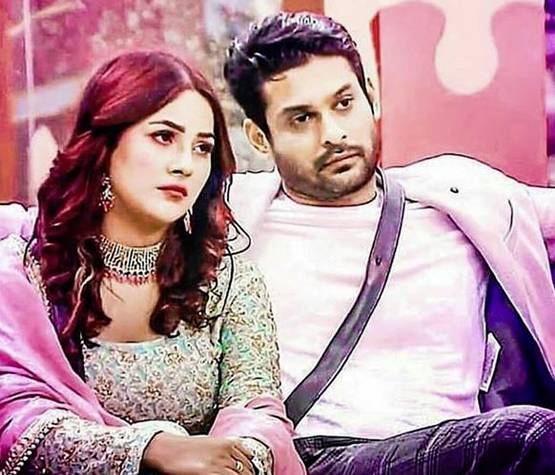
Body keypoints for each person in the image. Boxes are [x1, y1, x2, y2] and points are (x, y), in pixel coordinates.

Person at [223, 11, 555, 474]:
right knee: (532, 435)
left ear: (370, 96)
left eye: (344, 104)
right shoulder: (230, 219)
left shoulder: (458, 198)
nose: (333, 134)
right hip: (313, 458)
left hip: (461, 452)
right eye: (302, 118)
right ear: (260, 138)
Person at [0, 50, 306, 475]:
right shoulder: (27, 276)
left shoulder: (228, 281)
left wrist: (236, 460)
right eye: (163, 137)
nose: (185, 165)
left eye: (202, 148)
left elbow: (257, 408)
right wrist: (148, 450)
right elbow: (13, 415)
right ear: (106, 145)